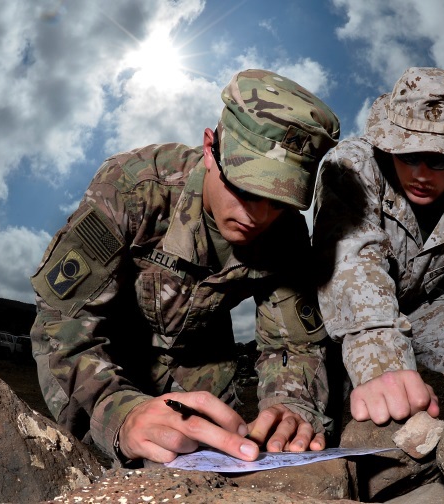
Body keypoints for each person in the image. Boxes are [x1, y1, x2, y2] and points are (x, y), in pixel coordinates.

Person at [29, 69, 340, 466]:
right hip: (106, 348)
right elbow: (63, 322)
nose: (258, 215)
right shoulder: (133, 189)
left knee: (219, 461)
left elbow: (292, 344)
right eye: (245, 189)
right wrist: (120, 414)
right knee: (105, 456)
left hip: (201, 359)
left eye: (279, 200)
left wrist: (291, 404)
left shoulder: (285, 234)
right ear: (211, 148)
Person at [313, 67, 444, 425]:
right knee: (325, 420)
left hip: (418, 306)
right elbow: (354, 268)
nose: (421, 173)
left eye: (439, 159)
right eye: (408, 154)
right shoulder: (351, 167)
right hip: (339, 311)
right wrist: (384, 367)